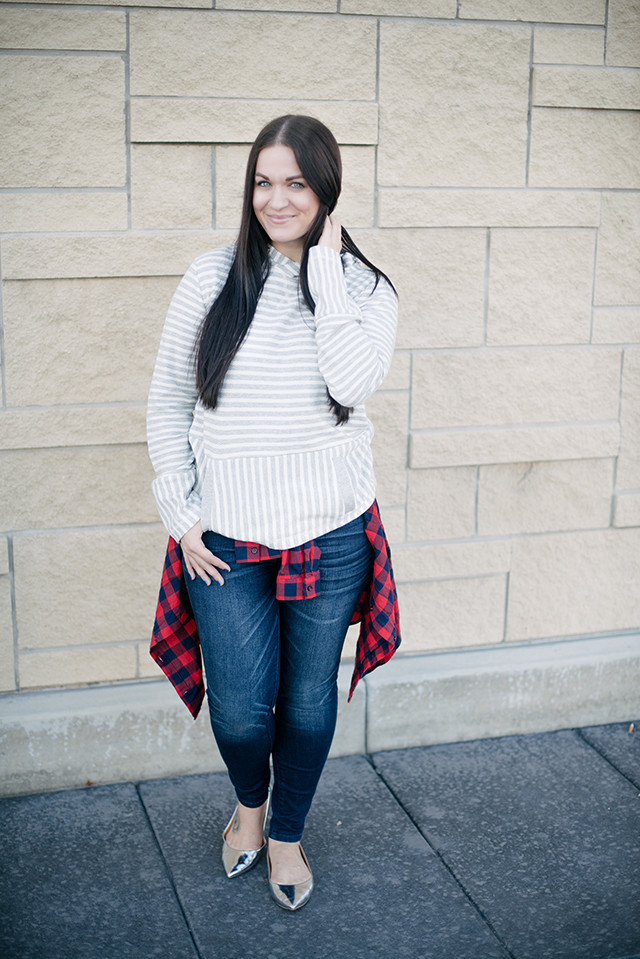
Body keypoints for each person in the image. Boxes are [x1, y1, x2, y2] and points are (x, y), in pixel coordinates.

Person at [147, 114, 400, 911]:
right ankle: (247, 806)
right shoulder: (210, 277)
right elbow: (166, 404)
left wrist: (322, 277)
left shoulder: (364, 288)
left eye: (296, 182)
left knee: (309, 701)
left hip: (330, 534)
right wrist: (181, 514)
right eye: (264, 181)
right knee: (244, 709)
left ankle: (283, 831)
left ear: (326, 190)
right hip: (223, 538)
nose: (276, 198)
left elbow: (352, 382)